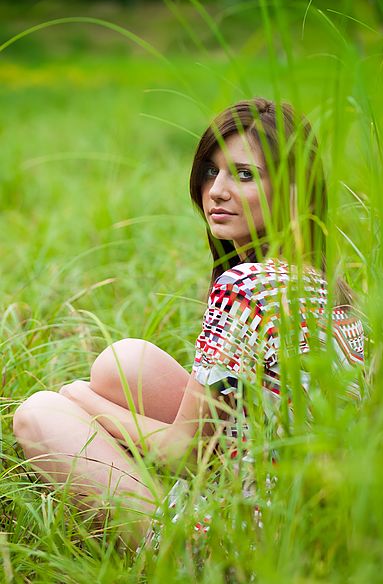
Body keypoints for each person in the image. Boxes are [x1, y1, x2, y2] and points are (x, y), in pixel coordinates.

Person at [12, 97, 364, 548]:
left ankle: (167, 550)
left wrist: (80, 399)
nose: (216, 190)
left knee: (39, 412)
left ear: (293, 191)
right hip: (308, 528)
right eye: (210, 171)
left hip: (232, 552)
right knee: (125, 361)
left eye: (244, 174)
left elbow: (187, 452)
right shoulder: (328, 286)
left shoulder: (248, 285)